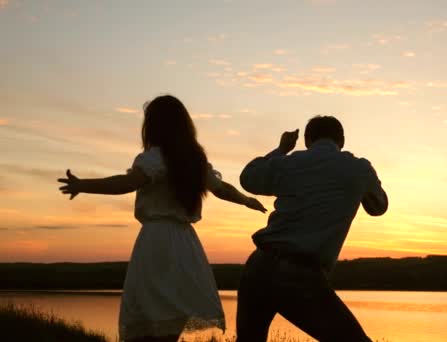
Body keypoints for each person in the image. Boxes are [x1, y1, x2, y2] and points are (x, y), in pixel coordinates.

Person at [58, 95, 267, 342]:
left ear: (153, 126)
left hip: (156, 242)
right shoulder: (193, 161)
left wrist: (83, 185)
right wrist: (247, 200)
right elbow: (222, 189)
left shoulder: (155, 158)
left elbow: (126, 183)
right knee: (168, 323)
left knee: (148, 318)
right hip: (186, 245)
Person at [235, 115, 388, 342]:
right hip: (301, 277)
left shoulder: (290, 163)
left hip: (259, 267)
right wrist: (359, 188)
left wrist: (281, 149)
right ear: (342, 140)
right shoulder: (359, 169)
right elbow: (379, 208)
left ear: (307, 140)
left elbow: (248, 178)